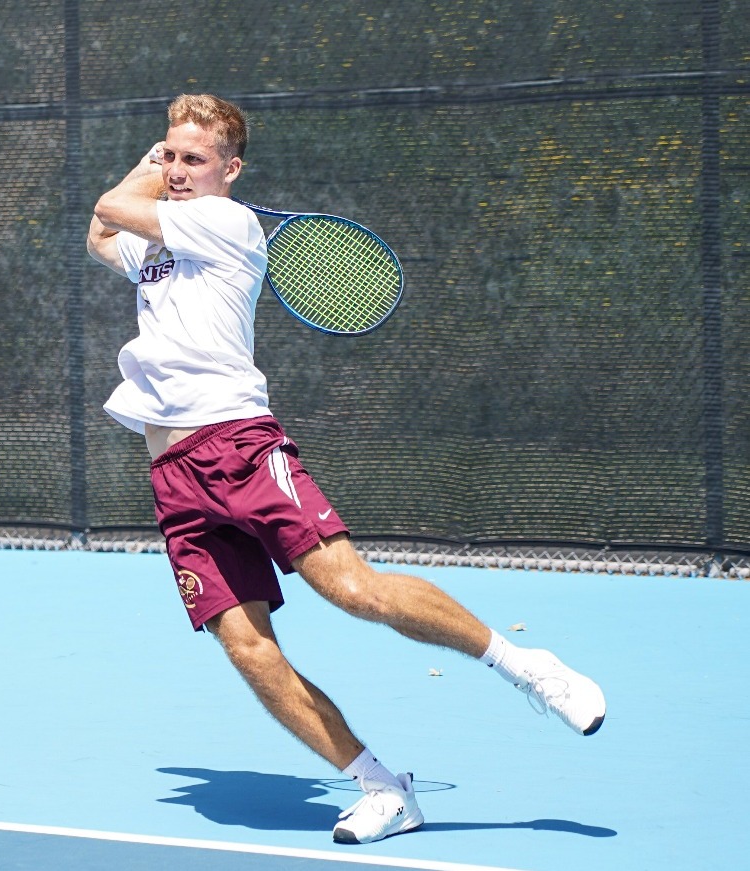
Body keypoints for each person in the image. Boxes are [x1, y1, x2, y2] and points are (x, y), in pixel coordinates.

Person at [85, 94, 606, 846]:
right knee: (246, 646)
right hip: (174, 473)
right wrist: (152, 164)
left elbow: (110, 204)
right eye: (171, 155)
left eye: (194, 159)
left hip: (238, 445)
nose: (177, 170)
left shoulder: (227, 222)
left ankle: (524, 664)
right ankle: (382, 787)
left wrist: (142, 175)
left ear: (232, 171)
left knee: (353, 589)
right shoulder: (162, 235)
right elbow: (102, 234)